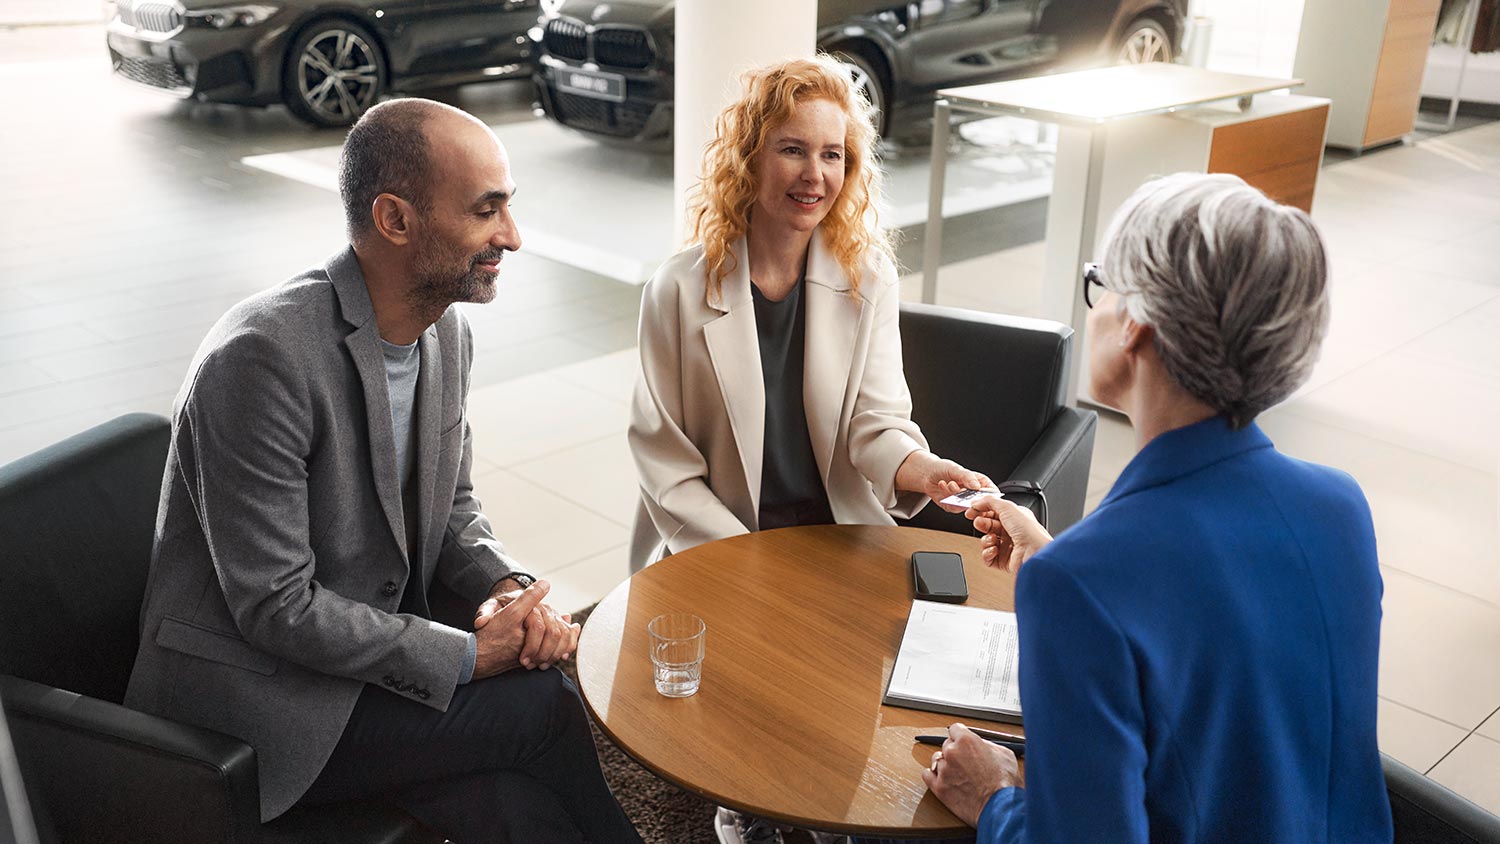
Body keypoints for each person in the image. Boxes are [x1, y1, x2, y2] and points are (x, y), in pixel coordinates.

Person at [124, 98, 641, 843]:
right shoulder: (261, 359)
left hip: (355, 665)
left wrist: (507, 589)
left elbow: (454, 509)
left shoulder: (445, 333)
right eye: (485, 210)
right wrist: (468, 654)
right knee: (539, 707)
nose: (513, 237)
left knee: (507, 804)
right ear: (396, 220)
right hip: (256, 702)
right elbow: (276, 607)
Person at [925, 173, 1393, 843]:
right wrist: (1058, 561)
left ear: (1137, 319)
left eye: (1100, 284)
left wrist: (994, 797)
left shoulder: (1083, 583)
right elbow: (1229, 680)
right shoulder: (1339, 507)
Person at [628, 54, 991, 578]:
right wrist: (747, 561)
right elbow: (665, 466)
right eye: (793, 150)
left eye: (832, 155)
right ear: (750, 158)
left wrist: (925, 470)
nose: (815, 176)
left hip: (836, 536)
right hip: (721, 545)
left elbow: (876, 424)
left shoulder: (869, 278)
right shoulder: (676, 289)